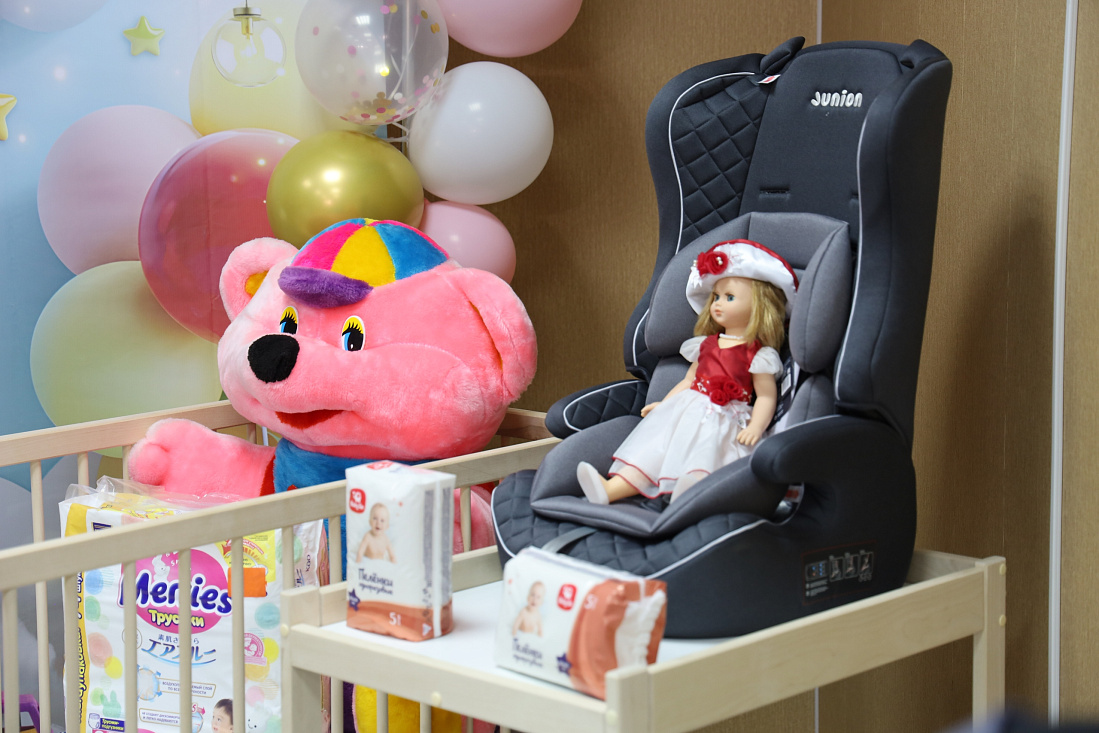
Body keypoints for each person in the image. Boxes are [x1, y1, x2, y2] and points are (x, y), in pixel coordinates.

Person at [577, 239, 797, 504]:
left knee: (708, 454)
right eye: (716, 297)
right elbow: (689, 380)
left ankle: (691, 498)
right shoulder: (705, 345)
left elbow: (766, 396)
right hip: (686, 410)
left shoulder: (757, 355)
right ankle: (610, 489)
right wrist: (664, 404)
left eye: (729, 297)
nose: (718, 304)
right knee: (653, 449)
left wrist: (756, 426)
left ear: (760, 307)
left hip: (726, 420)